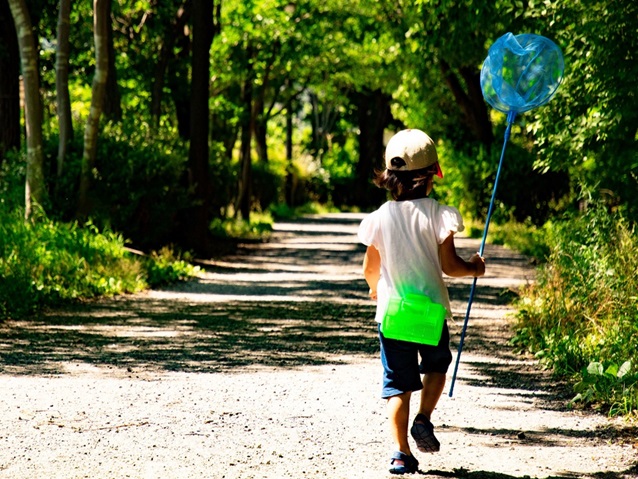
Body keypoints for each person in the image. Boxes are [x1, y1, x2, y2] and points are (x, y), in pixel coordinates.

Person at [358, 129, 486, 475]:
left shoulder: (379, 218)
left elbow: (371, 268)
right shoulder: (439, 215)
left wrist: (375, 289)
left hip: (394, 315)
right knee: (435, 369)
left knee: (398, 387)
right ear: (432, 176)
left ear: (389, 178)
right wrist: (475, 268)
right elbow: (450, 266)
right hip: (429, 313)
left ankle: (400, 454)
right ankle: (424, 417)